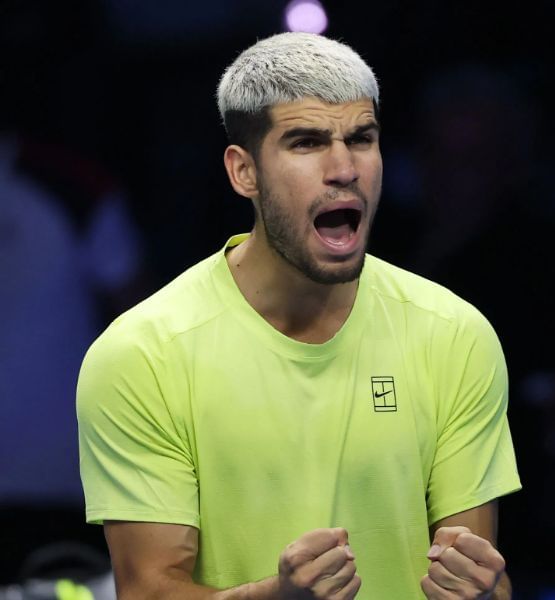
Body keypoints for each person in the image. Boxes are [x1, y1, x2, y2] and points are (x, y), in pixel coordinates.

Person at [76, 32, 520, 599]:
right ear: (244, 172)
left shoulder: (455, 334)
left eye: (361, 139)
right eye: (307, 142)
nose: (344, 168)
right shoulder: (141, 354)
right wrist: (276, 599)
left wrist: (486, 592)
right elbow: (148, 592)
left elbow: (481, 578)